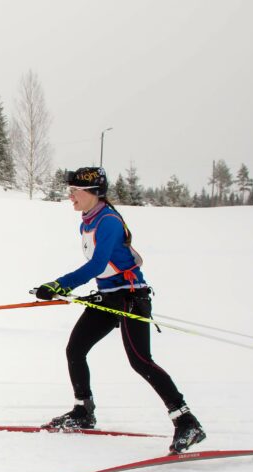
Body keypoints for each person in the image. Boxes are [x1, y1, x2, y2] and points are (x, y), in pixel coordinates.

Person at [32, 166, 206, 454]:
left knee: (141, 361)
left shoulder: (108, 221)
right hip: (109, 297)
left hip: (131, 299)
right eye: (70, 191)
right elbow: (105, 270)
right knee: (75, 349)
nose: (70, 197)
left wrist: (59, 285)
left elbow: (97, 265)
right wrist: (62, 288)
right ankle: (83, 411)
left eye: (75, 191)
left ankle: (187, 421)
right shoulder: (87, 221)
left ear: (92, 193)